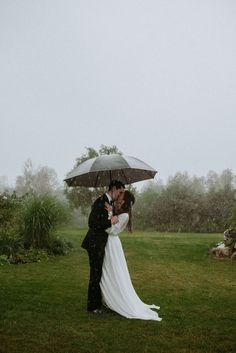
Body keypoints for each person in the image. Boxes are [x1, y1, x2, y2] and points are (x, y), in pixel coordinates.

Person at [100, 190, 162, 321]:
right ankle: (107, 298)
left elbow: (110, 229)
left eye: (121, 195)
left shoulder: (124, 216)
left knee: (112, 271)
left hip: (111, 243)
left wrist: (110, 213)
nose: (118, 196)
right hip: (110, 243)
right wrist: (111, 211)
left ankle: (115, 299)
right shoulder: (120, 213)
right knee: (109, 271)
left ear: (124, 200)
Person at [81, 179, 125, 313]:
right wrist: (110, 221)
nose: (121, 194)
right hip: (94, 243)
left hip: (99, 243)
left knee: (99, 273)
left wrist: (112, 214)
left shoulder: (108, 203)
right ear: (114, 189)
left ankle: (97, 303)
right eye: (120, 191)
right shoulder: (100, 202)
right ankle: (93, 307)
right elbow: (92, 223)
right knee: (95, 274)